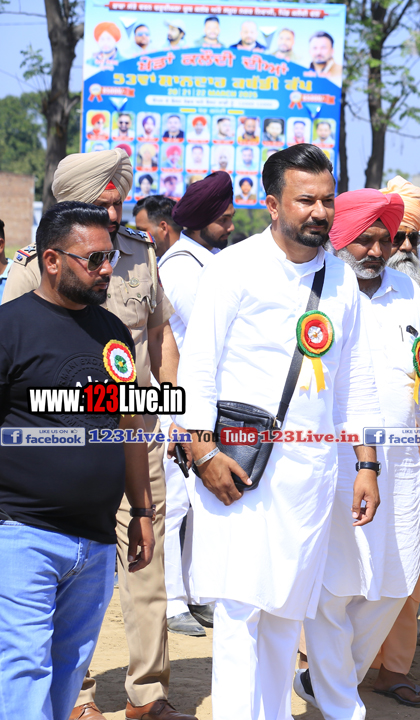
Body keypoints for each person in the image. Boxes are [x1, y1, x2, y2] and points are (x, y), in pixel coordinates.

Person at [174, 145, 381, 719]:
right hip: (235, 469)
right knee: (240, 609)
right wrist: (202, 453)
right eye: (305, 200)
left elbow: (354, 379)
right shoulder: (233, 268)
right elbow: (198, 367)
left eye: (327, 200)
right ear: (271, 204)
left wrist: (367, 463)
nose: (320, 212)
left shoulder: (340, 279)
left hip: (308, 478)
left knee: (288, 610)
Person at [3, 150, 185, 720]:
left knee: (75, 652)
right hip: (28, 517)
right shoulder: (18, 302)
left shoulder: (119, 307)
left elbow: (142, 381)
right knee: (28, 659)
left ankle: (147, 695)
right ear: (53, 260)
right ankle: (80, 702)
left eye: (117, 206)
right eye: (95, 259)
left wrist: (144, 508)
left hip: (109, 500)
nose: (109, 266)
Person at [294, 189, 420, 718]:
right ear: (338, 238)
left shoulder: (408, 291)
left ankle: (328, 681)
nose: (375, 250)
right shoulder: (318, 288)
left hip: (404, 464)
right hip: (335, 458)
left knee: (399, 578)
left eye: (383, 240)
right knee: (336, 583)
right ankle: (339, 697)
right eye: (363, 239)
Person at [153, 174, 234, 640]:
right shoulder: (182, 266)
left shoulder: (210, 262)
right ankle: (171, 602)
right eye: (224, 219)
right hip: (174, 401)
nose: (230, 226)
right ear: (201, 222)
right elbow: (215, 331)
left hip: (201, 401)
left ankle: (195, 594)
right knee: (175, 506)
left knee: (199, 505)